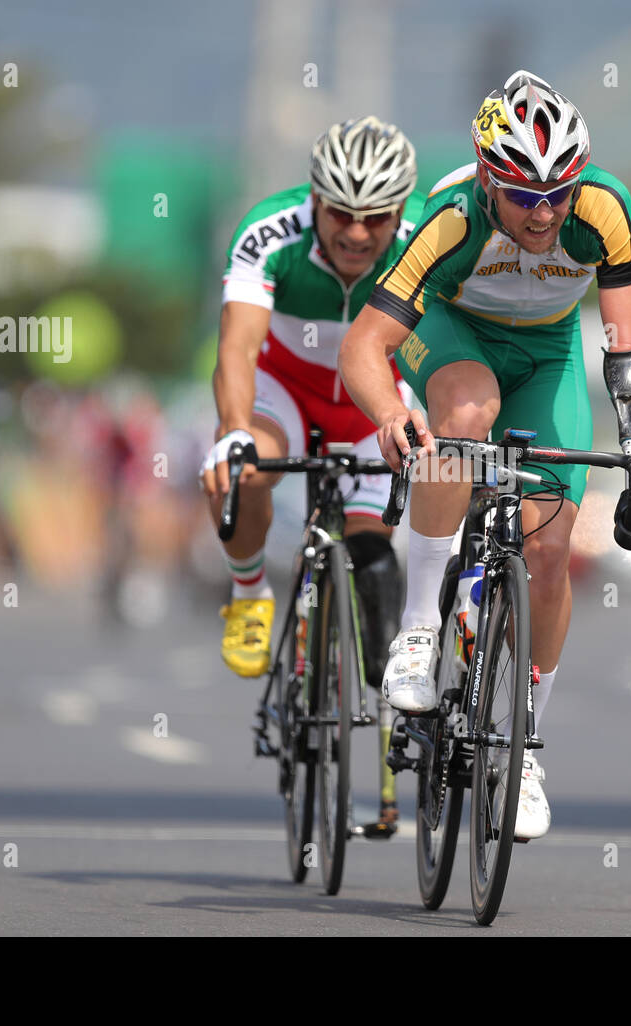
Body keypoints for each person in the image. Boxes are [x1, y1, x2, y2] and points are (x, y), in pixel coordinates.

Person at [338, 71, 631, 841]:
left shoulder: (603, 209)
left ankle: (526, 746)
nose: (544, 214)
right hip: (451, 333)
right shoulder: (449, 222)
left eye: (558, 194)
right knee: (468, 410)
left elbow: (624, 348)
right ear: (487, 179)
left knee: (547, 551)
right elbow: (361, 345)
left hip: (547, 352)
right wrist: (387, 415)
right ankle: (417, 633)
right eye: (523, 197)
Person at [201, 116, 422, 704]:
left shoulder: (427, 238)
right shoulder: (269, 231)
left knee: (374, 559)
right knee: (241, 470)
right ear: (314, 200)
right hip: (285, 393)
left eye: (374, 217)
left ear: (401, 211)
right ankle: (249, 593)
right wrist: (232, 433)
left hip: (373, 404)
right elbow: (239, 348)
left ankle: (381, 691)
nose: (355, 233)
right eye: (340, 213)